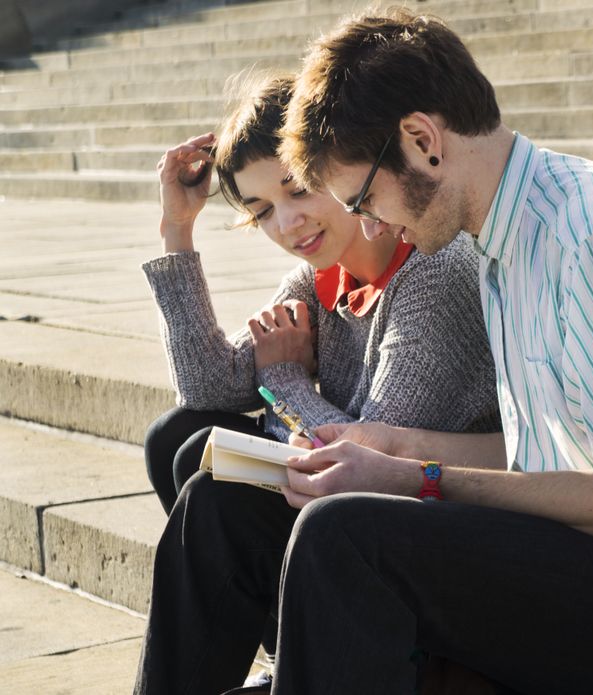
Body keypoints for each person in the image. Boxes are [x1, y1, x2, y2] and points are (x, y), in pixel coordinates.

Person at [258, 8, 593, 694]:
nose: (369, 224)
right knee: (251, 517)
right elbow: (547, 459)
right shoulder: (503, 242)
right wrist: (392, 446)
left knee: (346, 536)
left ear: (422, 140)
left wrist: (420, 478)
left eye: (366, 197)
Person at [134, 73, 501, 694]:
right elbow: (209, 388)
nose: (287, 224)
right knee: (180, 434)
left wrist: (280, 379)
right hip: (350, 526)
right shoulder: (323, 274)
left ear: (343, 166)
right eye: (260, 211)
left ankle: (310, 657)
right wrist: (178, 230)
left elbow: (359, 464)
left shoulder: (431, 277)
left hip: (431, 553)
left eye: (297, 189)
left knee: (217, 495)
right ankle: (289, 647)